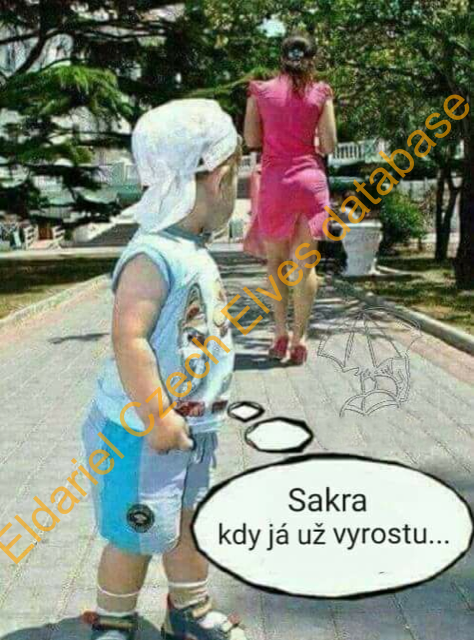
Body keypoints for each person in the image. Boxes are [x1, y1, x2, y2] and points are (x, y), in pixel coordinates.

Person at [81, 100, 247, 640]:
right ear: (219, 178)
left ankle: (188, 610)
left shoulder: (189, 248)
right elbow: (129, 339)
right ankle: (114, 618)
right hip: (141, 430)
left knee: (187, 523)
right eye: (237, 176)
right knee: (136, 532)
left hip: (191, 427)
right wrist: (156, 415)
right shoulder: (152, 253)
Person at [243, 33, 337, 365]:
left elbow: (252, 139)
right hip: (310, 182)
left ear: (281, 58)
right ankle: (300, 337)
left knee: (277, 264)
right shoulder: (321, 93)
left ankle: (280, 333)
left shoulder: (260, 91)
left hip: (276, 182)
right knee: (304, 265)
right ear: (313, 59)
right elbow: (329, 145)